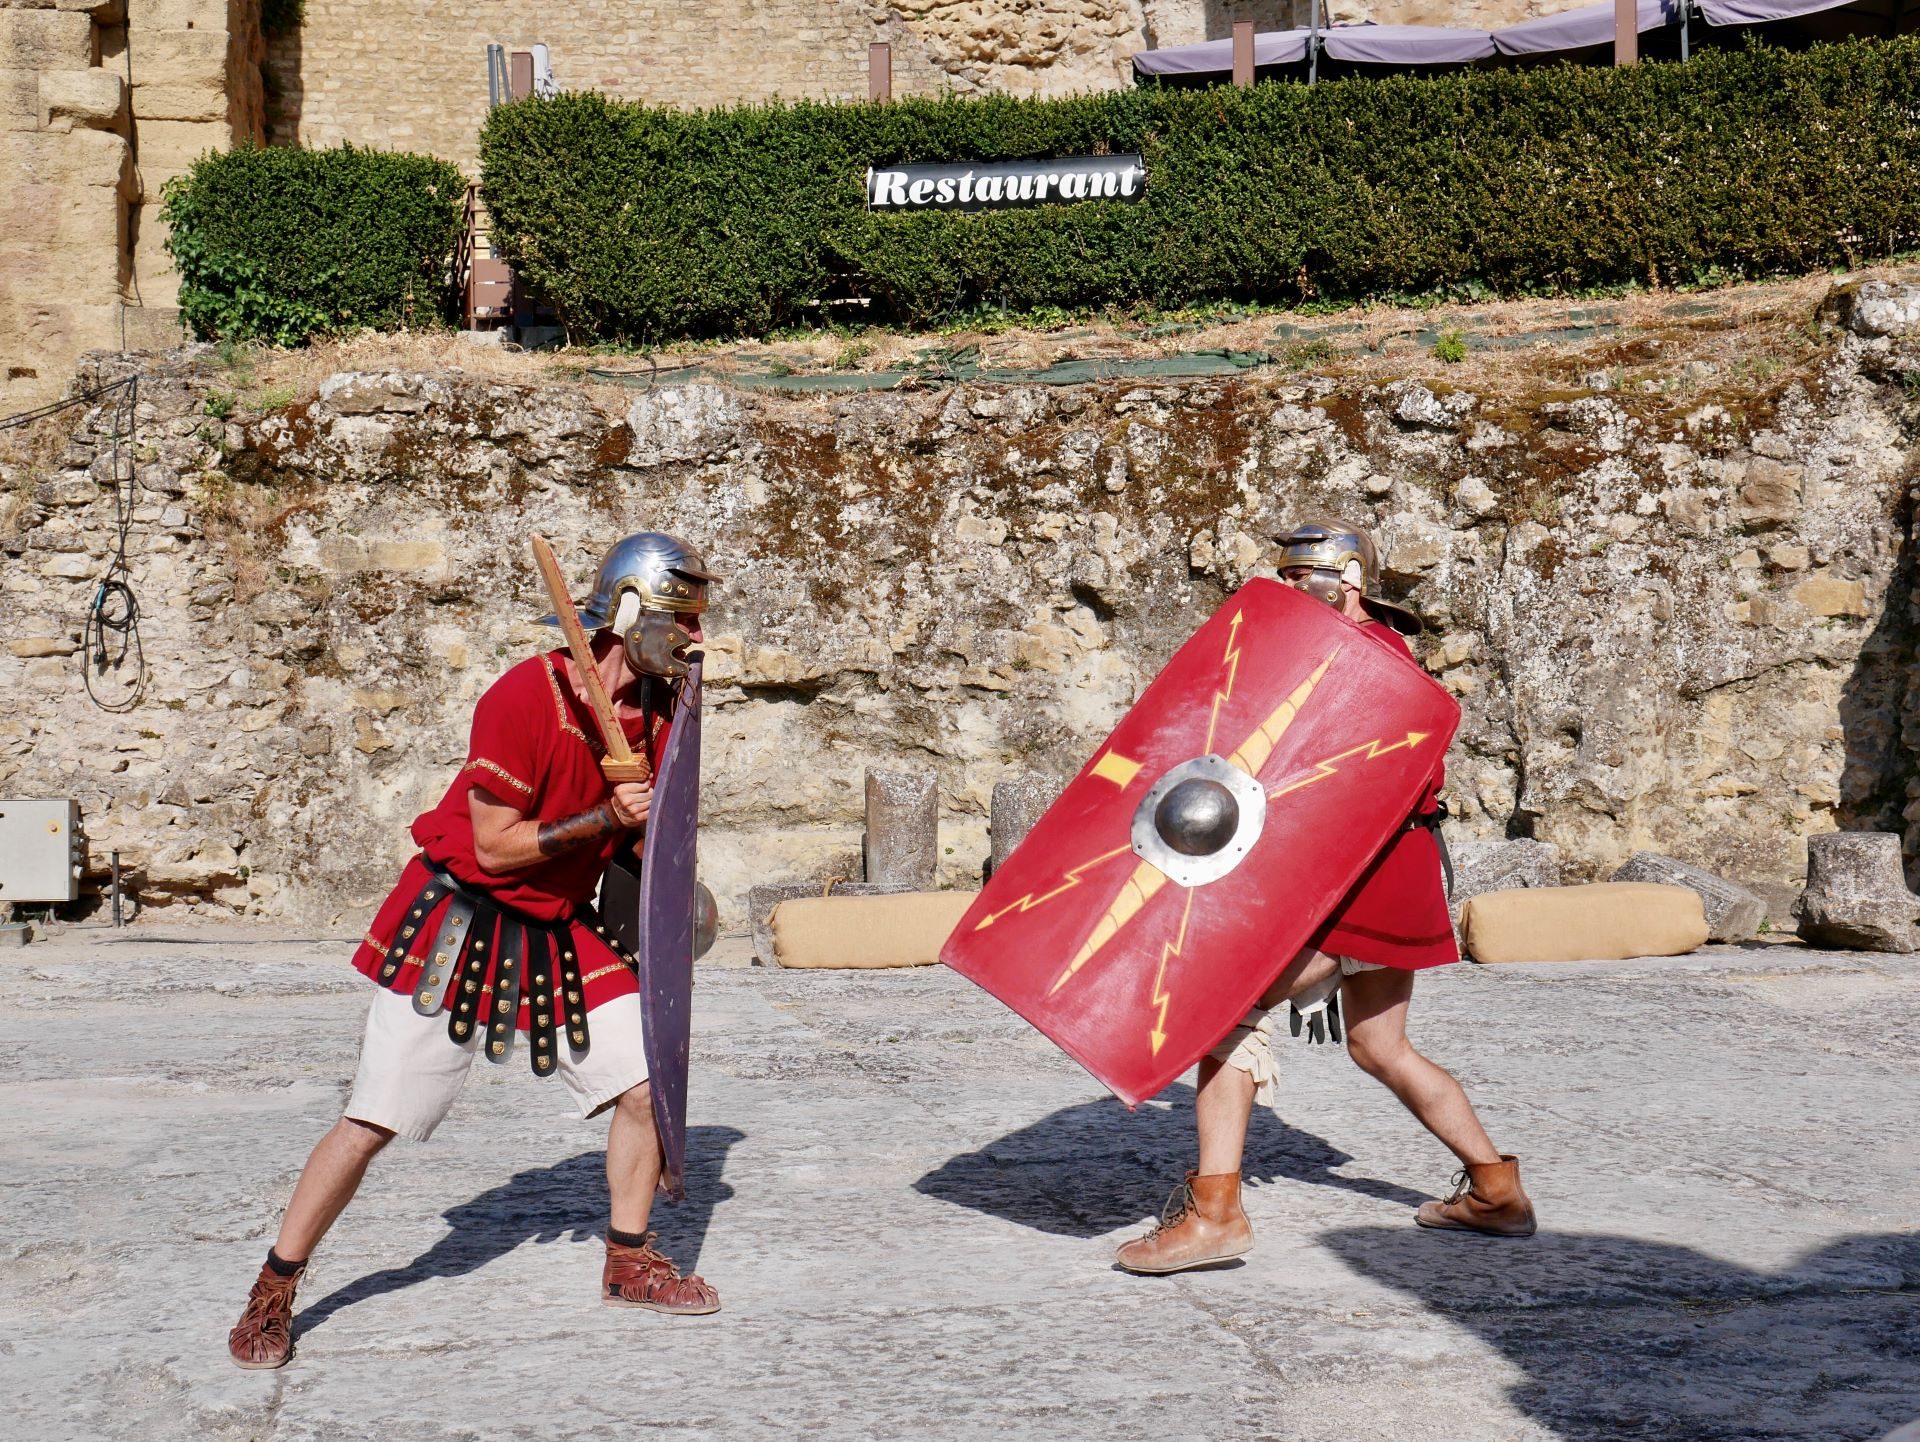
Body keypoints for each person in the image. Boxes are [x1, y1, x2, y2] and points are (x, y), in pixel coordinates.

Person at [228, 532, 724, 1370]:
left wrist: (667, 890)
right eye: (679, 620)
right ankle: (273, 1290)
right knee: (371, 1119)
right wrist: (610, 818)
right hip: (461, 918)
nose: (693, 641)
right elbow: (494, 847)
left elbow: (649, 843)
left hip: (558, 925)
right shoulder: (523, 697)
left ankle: (629, 1261)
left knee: (645, 1087)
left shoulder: (664, 711)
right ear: (628, 614)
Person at [1115, 519, 1536, 1276]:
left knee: (1226, 1011)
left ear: (1348, 577)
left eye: (1301, 576)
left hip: (1365, 878)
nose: (1289, 589)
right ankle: (1495, 1189)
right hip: (1395, 873)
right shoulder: (1359, 650)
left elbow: (1339, 788)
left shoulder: (1364, 657)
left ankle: (1215, 1215)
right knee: (1380, 1046)